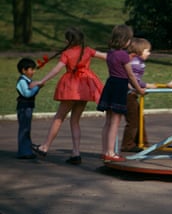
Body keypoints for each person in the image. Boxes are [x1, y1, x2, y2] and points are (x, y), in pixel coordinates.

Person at [31, 27, 106, 165]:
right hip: (85, 87)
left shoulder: (67, 53)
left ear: (68, 41)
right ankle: (76, 153)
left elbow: (56, 69)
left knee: (59, 117)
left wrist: (41, 81)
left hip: (71, 87)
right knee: (75, 120)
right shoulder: (88, 50)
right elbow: (106, 56)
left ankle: (44, 147)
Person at [97, 25, 145, 163]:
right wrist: (138, 89)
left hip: (110, 84)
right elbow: (130, 74)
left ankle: (104, 150)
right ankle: (111, 152)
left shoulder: (111, 53)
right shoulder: (123, 55)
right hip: (119, 87)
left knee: (108, 121)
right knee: (115, 122)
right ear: (125, 40)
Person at [121, 38, 157, 152]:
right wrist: (147, 85)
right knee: (133, 120)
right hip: (128, 94)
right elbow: (134, 79)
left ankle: (142, 142)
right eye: (147, 51)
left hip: (131, 93)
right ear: (140, 50)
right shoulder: (136, 62)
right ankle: (128, 144)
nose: (149, 53)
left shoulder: (137, 62)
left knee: (139, 118)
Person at [16, 58, 42, 159]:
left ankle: (27, 150)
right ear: (24, 70)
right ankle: (24, 152)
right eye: (31, 69)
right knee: (24, 129)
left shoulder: (28, 81)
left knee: (27, 129)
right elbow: (27, 94)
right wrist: (37, 87)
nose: (33, 72)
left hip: (28, 107)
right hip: (23, 108)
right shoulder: (22, 81)